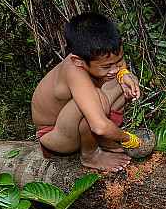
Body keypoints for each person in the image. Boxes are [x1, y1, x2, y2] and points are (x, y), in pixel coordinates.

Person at [31, 12, 155, 172]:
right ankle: (90, 155)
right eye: (106, 66)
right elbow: (99, 126)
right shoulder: (74, 71)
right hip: (56, 135)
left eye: (118, 61)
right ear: (78, 60)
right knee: (98, 99)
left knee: (124, 84)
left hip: (73, 121)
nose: (114, 68)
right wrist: (129, 140)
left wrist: (124, 74)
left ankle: (99, 141)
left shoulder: (93, 55)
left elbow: (117, 66)